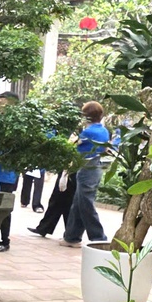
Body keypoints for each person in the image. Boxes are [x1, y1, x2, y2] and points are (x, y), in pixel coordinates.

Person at [61, 100, 110, 248]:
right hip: (96, 166)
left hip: (86, 167)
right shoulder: (103, 130)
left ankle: (99, 237)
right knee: (78, 203)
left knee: (85, 204)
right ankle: (71, 237)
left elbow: (72, 146)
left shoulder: (87, 132)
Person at [0, 91, 20, 252]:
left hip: (8, 175)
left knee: (4, 208)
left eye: (4, 104)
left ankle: (4, 240)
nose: (0, 107)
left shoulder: (17, 127)